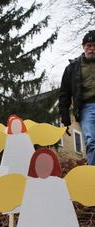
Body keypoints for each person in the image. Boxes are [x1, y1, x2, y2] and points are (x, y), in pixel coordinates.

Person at [59, 30, 95, 165]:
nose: (92, 49)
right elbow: (64, 94)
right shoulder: (72, 68)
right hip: (86, 107)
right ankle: (93, 177)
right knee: (91, 141)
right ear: (83, 46)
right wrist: (65, 118)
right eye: (89, 45)